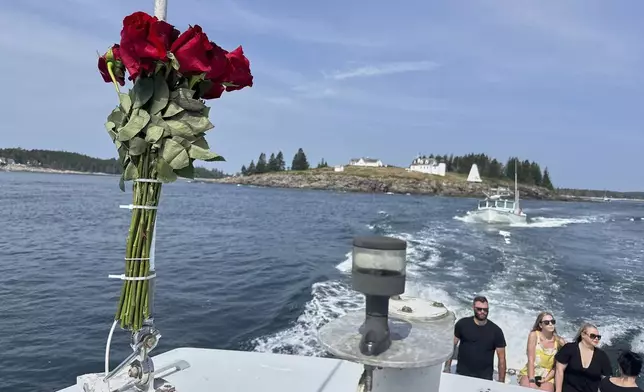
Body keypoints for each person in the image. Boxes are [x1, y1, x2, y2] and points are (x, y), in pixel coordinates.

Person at [443, 295, 507, 382]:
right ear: (473, 307)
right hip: (461, 375)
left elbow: (502, 359)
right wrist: (447, 369)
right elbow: (451, 346)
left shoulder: (496, 331)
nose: (482, 312)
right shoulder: (462, 324)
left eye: (485, 309)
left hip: (484, 379)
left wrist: (501, 381)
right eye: (479, 309)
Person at [554, 322, 613, 392]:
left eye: (598, 337)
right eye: (593, 336)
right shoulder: (569, 348)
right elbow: (559, 371)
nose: (596, 338)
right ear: (583, 334)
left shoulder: (602, 356)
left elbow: (606, 379)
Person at [517, 311, 566, 391]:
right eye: (546, 322)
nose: (550, 324)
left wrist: (546, 379)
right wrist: (532, 380)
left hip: (548, 376)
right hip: (530, 371)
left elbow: (557, 366)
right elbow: (531, 359)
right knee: (527, 389)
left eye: (552, 322)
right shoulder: (534, 335)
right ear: (540, 325)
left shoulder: (560, 342)